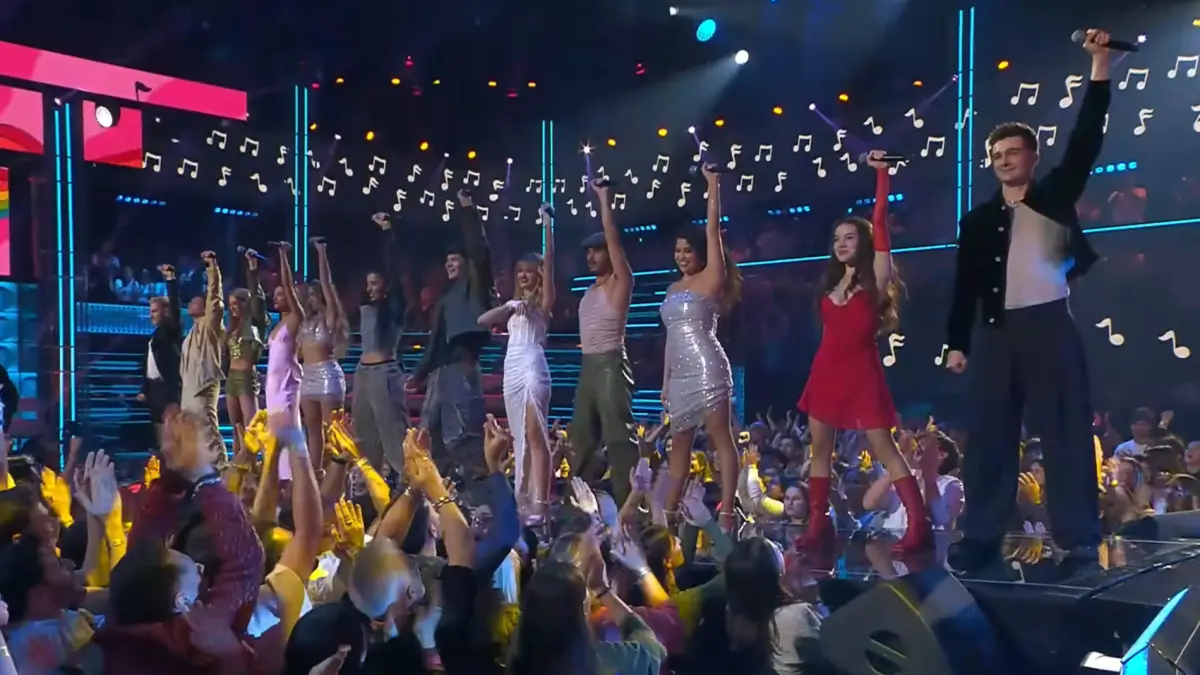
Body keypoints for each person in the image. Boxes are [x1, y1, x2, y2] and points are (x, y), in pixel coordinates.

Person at [943, 30, 1112, 573]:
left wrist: (1100, 67)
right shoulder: (977, 221)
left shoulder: (1054, 195)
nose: (1002, 160)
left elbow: (1086, 140)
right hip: (995, 331)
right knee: (989, 437)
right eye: (995, 155)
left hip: (1049, 324)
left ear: (1032, 157)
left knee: (1064, 432)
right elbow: (965, 285)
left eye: (1012, 151)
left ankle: (1078, 538)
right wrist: (956, 342)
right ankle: (981, 536)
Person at [795, 150, 932, 554]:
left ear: (865, 242)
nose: (841, 244)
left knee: (884, 448)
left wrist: (882, 175)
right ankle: (818, 525)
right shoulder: (830, 285)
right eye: (836, 239)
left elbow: (880, 220)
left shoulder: (876, 278)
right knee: (820, 450)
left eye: (849, 237)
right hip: (825, 371)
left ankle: (918, 526)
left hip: (861, 371)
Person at [659, 165, 742, 532]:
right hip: (679, 376)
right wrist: (665, 382)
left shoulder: (711, 278)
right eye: (677, 251)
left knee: (721, 439)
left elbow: (712, 229)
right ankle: (667, 518)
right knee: (678, 448)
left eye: (687, 250)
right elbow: (670, 338)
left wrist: (713, 184)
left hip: (708, 367)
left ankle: (727, 512)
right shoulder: (671, 289)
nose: (681, 256)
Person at [410, 189, 496, 502]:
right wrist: (419, 374)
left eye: (454, 259)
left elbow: (479, 251)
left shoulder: (475, 287)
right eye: (446, 261)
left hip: (461, 369)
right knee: (430, 437)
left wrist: (468, 210)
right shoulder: (446, 300)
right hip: (439, 375)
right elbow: (434, 343)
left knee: (461, 439)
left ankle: (482, 499)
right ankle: (441, 500)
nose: (448, 264)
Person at [477, 204, 556, 523]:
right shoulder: (513, 305)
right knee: (521, 437)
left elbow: (550, 266)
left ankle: (541, 504)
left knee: (536, 434)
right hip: (511, 370)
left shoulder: (543, 303)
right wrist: (509, 307)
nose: (524, 275)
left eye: (530, 270)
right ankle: (525, 501)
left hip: (532, 365)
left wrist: (547, 226)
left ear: (538, 274)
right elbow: (483, 320)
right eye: (520, 270)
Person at [570, 179, 639, 505]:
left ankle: (630, 505)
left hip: (611, 362)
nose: (591, 256)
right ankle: (579, 504)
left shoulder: (620, 281)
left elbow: (613, 239)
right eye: (587, 251)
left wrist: (603, 199)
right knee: (580, 437)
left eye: (597, 250)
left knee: (618, 437)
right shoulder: (590, 290)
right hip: (588, 367)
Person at [357, 213, 411, 474]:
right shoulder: (366, 307)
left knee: (394, 438)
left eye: (375, 283)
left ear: (386, 286)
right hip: (363, 374)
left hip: (384, 374)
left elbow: (393, 269)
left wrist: (387, 232)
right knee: (365, 437)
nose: (370, 288)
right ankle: (372, 488)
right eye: (368, 284)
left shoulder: (394, 307)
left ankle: (411, 487)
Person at [299, 237, 350, 465]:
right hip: (307, 376)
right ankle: (316, 474)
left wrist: (321, 253)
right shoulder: (304, 322)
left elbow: (328, 284)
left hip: (328, 376)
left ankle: (340, 475)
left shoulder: (330, 318)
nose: (311, 298)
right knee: (312, 431)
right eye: (309, 294)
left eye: (314, 293)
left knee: (333, 430)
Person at [179, 250, 227, 467]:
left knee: (207, 430)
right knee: (191, 433)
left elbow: (215, 296)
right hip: (188, 388)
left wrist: (212, 267)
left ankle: (222, 468)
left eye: (196, 301)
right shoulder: (191, 332)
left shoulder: (210, 325)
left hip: (203, 385)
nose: (191, 303)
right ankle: (199, 469)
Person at [224, 248, 268, 460]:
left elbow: (257, 299)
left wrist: (252, 269)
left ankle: (261, 465)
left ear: (245, 303)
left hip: (246, 377)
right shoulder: (232, 328)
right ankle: (239, 467)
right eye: (230, 305)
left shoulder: (254, 323)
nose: (233, 308)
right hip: (231, 378)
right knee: (236, 427)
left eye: (237, 303)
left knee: (252, 426)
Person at [140, 263, 182, 443]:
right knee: (160, 437)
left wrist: (170, 280)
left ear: (166, 312)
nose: (151, 315)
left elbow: (175, 307)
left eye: (155, 311)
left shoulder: (170, 330)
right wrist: (145, 390)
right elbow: (149, 366)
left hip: (168, 391)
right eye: (150, 311)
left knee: (171, 435)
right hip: (155, 391)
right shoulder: (155, 335)